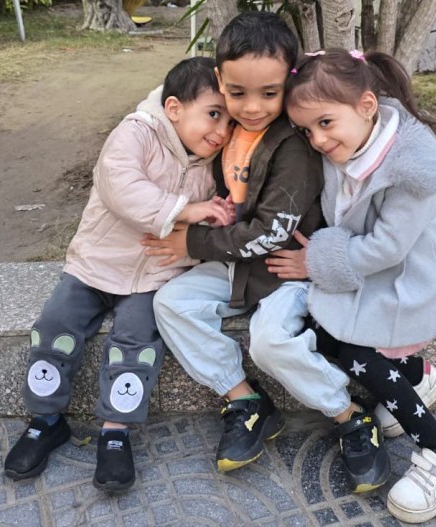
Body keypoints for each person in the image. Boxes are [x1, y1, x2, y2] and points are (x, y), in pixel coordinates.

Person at [3, 56, 234, 492]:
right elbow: (121, 186)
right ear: (173, 108)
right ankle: (45, 420)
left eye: (229, 120)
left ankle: (115, 431)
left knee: (136, 342)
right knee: (54, 327)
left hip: (153, 276)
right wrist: (186, 210)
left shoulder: (216, 162)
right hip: (95, 264)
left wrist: (208, 221)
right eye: (213, 114)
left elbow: (218, 219)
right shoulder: (137, 132)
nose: (222, 131)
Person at [263, 48, 436, 522]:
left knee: (356, 350)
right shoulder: (353, 139)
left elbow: (387, 248)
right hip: (368, 272)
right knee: (323, 332)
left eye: (324, 123)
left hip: (407, 282)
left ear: (367, 105)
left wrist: (315, 261)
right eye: (307, 130)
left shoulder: (414, 167)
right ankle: (415, 376)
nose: (317, 139)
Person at [147, 11, 335, 474]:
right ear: (220, 81)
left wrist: (194, 241)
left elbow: (271, 232)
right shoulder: (226, 130)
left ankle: (348, 413)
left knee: (268, 341)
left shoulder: (294, 146)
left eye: (269, 93)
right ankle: (245, 399)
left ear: (289, 82)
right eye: (237, 93)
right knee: (171, 304)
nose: (252, 107)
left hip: (285, 270)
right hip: (240, 266)